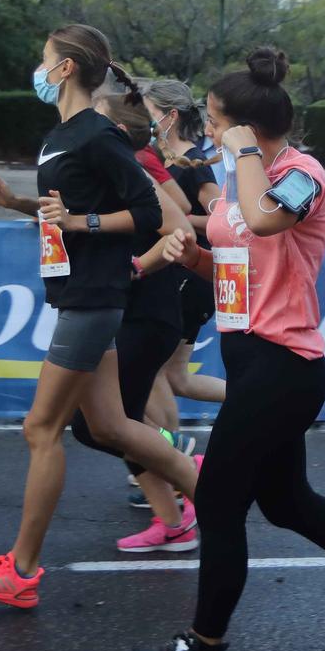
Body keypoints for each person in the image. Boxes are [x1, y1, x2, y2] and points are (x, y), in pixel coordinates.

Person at [130, 47, 325, 651]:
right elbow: (241, 266)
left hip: (286, 365)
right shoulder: (242, 171)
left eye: (215, 121)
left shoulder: (304, 174)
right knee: (287, 503)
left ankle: (204, 647)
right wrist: (195, 261)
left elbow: (266, 223)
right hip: (249, 358)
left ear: (244, 126)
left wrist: (243, 153)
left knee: (219, 499)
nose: (207, 131)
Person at [0, 25, 199, 607]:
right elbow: (67, 210)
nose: (37, 69)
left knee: (41, 429)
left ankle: (21, 572)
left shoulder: (97, 135)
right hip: (79, 294)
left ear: (65, 69)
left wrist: (79, 225)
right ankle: (216, 497)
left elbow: (153, 217)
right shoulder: (61, 137)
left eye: (44, 60)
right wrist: (15, 204)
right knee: (110, 427)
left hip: (94, 298)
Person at [66, 82, 200, 553]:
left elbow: (181, 222)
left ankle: (189, 471)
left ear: (116, 130)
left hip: (146, 311)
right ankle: (175, 518)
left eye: (95, 117)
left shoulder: (132, 166)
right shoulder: (108, 165)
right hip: (130, 310)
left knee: (101, 424)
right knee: (110, 422)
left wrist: (138, 265)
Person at [140, 78, 225, 428]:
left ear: (169, 116)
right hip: (173, 274)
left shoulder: (194, 161)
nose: (139, 121)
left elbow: (223, 220)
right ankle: (261, 399)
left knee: (153, 368)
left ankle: (167, 456)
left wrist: (182, 218)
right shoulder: (162, 160)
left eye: (146, 114)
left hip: (191, 276)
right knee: (176, 378)